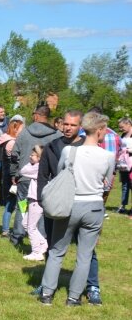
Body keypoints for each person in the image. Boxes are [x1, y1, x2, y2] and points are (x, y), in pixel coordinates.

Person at [38, 111, 115, 306]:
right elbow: (107, 184)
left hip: (70, 204)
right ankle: (73, 298)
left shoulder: (69, 151)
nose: (105, 133)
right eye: (104, 129)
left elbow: (60, 174)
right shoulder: (108, 156)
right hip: (94, 207)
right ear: (98, 130)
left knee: (56, 251)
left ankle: (47, 294)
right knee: (85, 255)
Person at [9, 105, 61, 247]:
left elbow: (14, 155)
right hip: (47, 180)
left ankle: (17, 236)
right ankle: (43, 236)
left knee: (22, 206)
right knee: (43, 209)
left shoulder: (25, 133)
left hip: (25, 178)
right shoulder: (57, 135)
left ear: (37, 116)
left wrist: (14, 173)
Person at [20, 146, 47, 261]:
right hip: (33, 199)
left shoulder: (37, 168)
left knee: (31, 227)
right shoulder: (38, 166)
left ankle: (36, 252)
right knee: (25, 223)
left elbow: (23, 171)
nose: (30, 156)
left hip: (36, 200)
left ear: (39, 157)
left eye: (33, 155)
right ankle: (43, 243)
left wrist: (31, 163)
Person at [0, 116, 25, 236]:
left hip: (8, 176)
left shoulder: (6, 140)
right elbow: (15, 161)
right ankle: (17, 229)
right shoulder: (12, 143)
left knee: (12, 203)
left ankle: (6, 229)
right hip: (14, 177)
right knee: (19, 203)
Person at [118, 117, 132, 213]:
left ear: (128, 124)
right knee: (125, 185)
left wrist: (128, 150)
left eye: (122, 127)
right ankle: (123, 205)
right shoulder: (123, 135)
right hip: (123, 164)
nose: (120, 129)